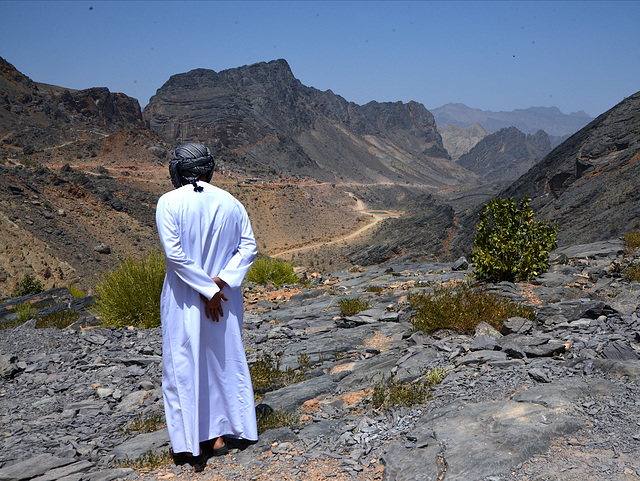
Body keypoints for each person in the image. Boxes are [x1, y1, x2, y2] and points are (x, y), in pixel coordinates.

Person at [155, 142, 258, 471]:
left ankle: (189, 446)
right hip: (225, 299)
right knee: (221, 361)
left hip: (185, 298)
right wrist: (220, 284)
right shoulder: (232, 203)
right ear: (209, 168)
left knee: (183, 367)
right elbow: (249, 249)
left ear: (179, 170)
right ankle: (224, 432)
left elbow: (175, 255)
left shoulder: (169, 203)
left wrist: (204, 289)